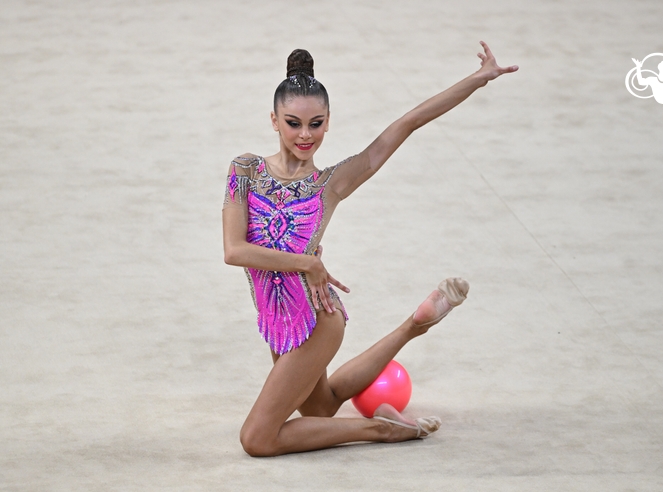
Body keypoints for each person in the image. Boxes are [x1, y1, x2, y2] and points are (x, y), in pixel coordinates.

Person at [222, 42, 517, 456]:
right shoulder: (245, 170)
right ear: (274, 120)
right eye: (293, 123)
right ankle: (414, 325)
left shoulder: (331, 183)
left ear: (328, 123)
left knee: (257, 439)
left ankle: (381, 430)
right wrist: (307, 263)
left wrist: (478, 79)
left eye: (316, 124)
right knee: (321, 407)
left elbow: (407, 123)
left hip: (316, 319)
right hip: (277, 320)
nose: (305, 135)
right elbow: (234, 250)